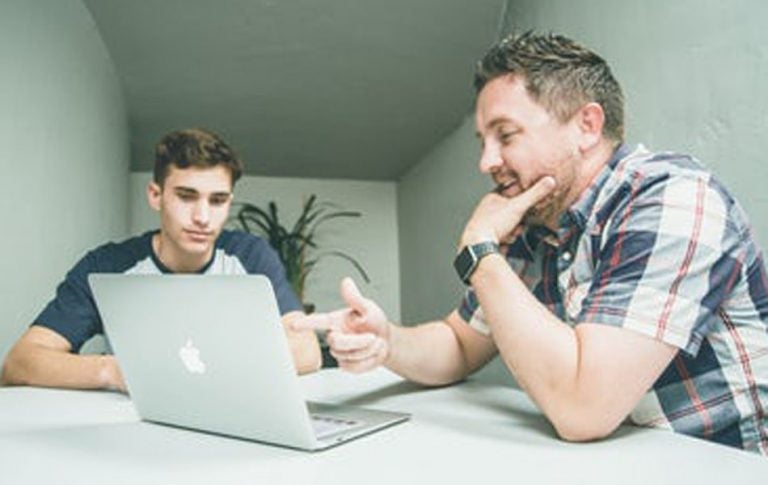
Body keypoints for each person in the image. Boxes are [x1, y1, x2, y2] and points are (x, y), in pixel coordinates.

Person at [295, 32, 768, 454]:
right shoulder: (539, 223)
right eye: (483, 141)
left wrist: (481, 250)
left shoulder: (674, 199)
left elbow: (584, 410)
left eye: (505, 135)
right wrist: (388, 341)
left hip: (727, 464)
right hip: (623, 460)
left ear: (586, 125)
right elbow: (460, 344)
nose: (486, 161)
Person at [1, 128, 321, 392]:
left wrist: (202, 366)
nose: (202, 217)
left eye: (218, 201)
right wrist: (115, 371)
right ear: (156, 195)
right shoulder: (107, 266)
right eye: (186, 196)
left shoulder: (251, 256)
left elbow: (307, 352)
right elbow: (20, 362)